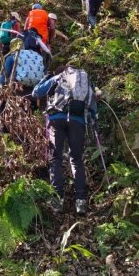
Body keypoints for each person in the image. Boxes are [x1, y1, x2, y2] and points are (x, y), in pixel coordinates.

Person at [32, 65, 97, 215]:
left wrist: (46, 78)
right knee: (76, 159)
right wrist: (93, 118)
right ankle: (80, 201)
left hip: (57, 119)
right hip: (78, 121)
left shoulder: (57, 78)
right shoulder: (84, 81)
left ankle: (57, 199)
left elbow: (36, 92)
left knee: (56, 158)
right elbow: (92, 104)